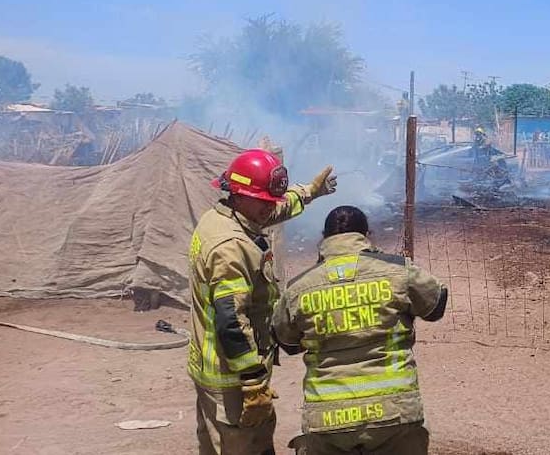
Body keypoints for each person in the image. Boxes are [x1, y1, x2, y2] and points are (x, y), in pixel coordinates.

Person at [187, 148, 338, 455]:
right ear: (240, 195)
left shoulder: (222, 216)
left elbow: (273, 211)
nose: (270, 208)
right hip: (232, 378)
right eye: (264, 201)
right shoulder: (230, 247)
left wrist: (308, 192)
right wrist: (253, 381)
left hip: (223, 370)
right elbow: (231, 319)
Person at [274, 205, 447, 455]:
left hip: (327, 420)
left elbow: (287, 342)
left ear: (324, 238)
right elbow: (436, 305)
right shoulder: (397, 270)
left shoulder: (298, 288)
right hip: (395, 413)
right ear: (367, 234)